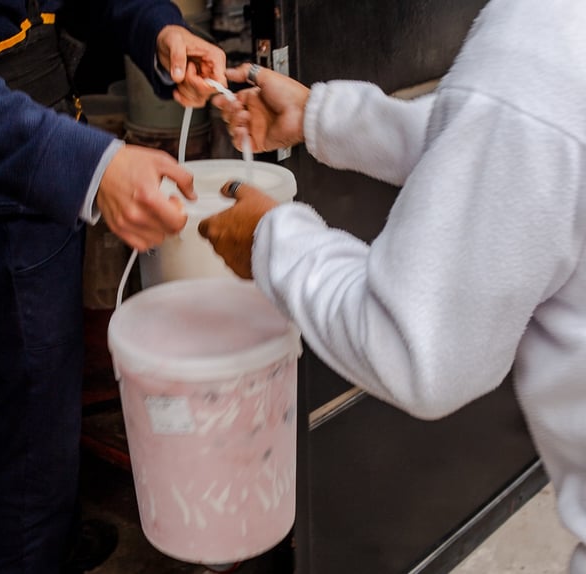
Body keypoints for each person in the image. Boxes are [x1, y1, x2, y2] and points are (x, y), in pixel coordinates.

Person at [200, 1, 586, 572]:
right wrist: (322, 117)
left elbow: (420, 349)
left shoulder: (541, 40)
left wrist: (269, 241)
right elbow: (514, 140)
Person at [0, 1, 226, 573]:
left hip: (45, 165)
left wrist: (156, 28)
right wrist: (95, 168)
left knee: (49, 403)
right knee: (25, 443)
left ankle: (51, 540)